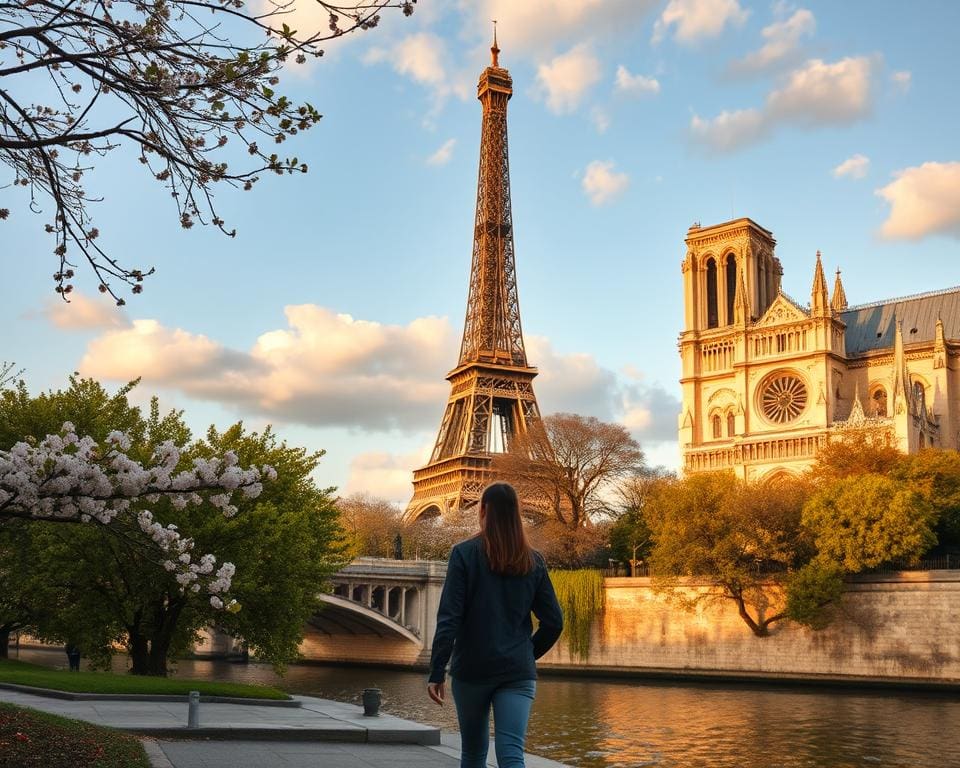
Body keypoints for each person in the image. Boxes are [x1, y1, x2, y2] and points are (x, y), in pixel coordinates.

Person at [427, 482, 564, 768]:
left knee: (473, 753)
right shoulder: (533, 561)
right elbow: (554, 622)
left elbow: (449, 618)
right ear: (516, 513)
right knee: (511, 753)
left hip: (472, 669)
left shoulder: (463, 554)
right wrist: (525, 654)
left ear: (483, 511)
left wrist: (437, 670)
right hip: (516, 671)